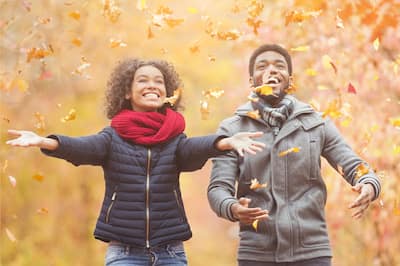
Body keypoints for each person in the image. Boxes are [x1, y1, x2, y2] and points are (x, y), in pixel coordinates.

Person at [6, 58, 266, 266]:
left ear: (167, 93)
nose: (152, 85)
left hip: (171, 253)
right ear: (127, 93)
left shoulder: (174, 138)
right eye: (142, 80)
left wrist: (225, 142)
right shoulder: (113, 137)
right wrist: (44, 141)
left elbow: (192, 149)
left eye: (159, 81)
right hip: (125, 254)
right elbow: (82, 148)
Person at [207, 44, 381, 266]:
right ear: (252, 80)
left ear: (290, 79)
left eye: (279, 65)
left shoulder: (316, 123)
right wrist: (232, 207)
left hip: (312, 254)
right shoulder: (232, 129)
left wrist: (368, 183)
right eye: (263, 66)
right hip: (256, 254)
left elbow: (354, 164)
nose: (272, 70)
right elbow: (218, 188)